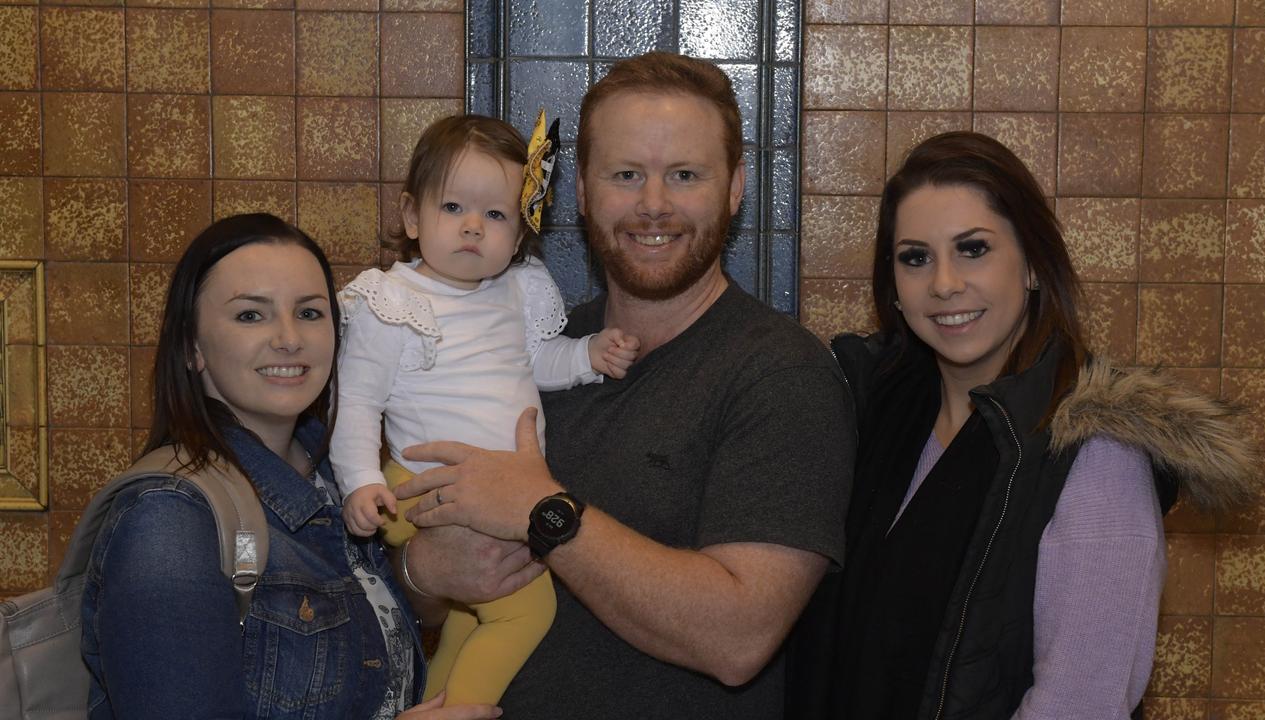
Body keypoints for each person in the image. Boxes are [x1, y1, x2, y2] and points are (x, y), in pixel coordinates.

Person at [390, 52, 855, 719]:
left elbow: (739, 637)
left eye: (686, 175)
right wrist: (425, 574)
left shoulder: (780, 375)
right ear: (581, 189)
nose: (654, 205)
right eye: (626, 174)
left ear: (734, 188)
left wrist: (543, 511)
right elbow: (426, 575)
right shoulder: (527, 347)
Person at [786, 132, 1258, 720]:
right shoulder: (869, 408)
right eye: (916, 257)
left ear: (1033, 263)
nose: (944, 284)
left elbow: (1078, 704)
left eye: (973, 249)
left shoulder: (1097, 451)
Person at [79, 213, 502, 720]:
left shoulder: (338, 478)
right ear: (193, 346)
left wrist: (425, 578)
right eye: (251, 316)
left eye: (309, 313)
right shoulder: (169, 522)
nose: (289, 338)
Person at [331, 114, 639, 706]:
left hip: (496, 495)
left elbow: (537, 362)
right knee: (528, 611)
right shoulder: (392, 302)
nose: (473, 227)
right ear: (412, 216)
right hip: (423, 488)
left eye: (495, 215)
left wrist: (587, 356)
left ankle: (434, 702)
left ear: (519, 235)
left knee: (477, 616)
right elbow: (357, 405)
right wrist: (361, 482)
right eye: (452, 208)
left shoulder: (516, 290)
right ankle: (465, 711)